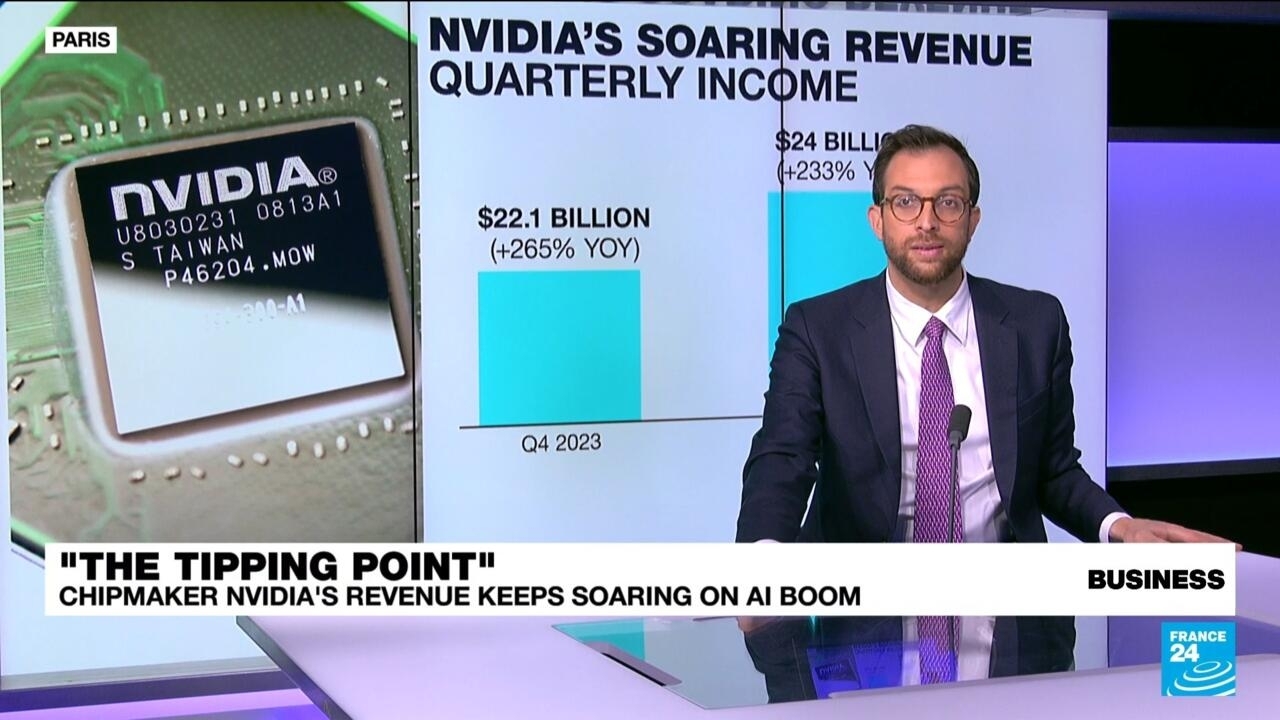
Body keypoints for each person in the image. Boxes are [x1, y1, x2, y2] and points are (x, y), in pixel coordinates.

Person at [736, 124, 1234, 683]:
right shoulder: (818, 328)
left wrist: (1117, 526)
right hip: (864, 626)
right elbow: (782, 456)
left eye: (947, 203)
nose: (927, 221)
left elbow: (1053, 471)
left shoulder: (1035, 323)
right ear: (878, 220)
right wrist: (762, 563)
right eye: (906, 202)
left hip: (1013, 629)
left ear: (973, 219)